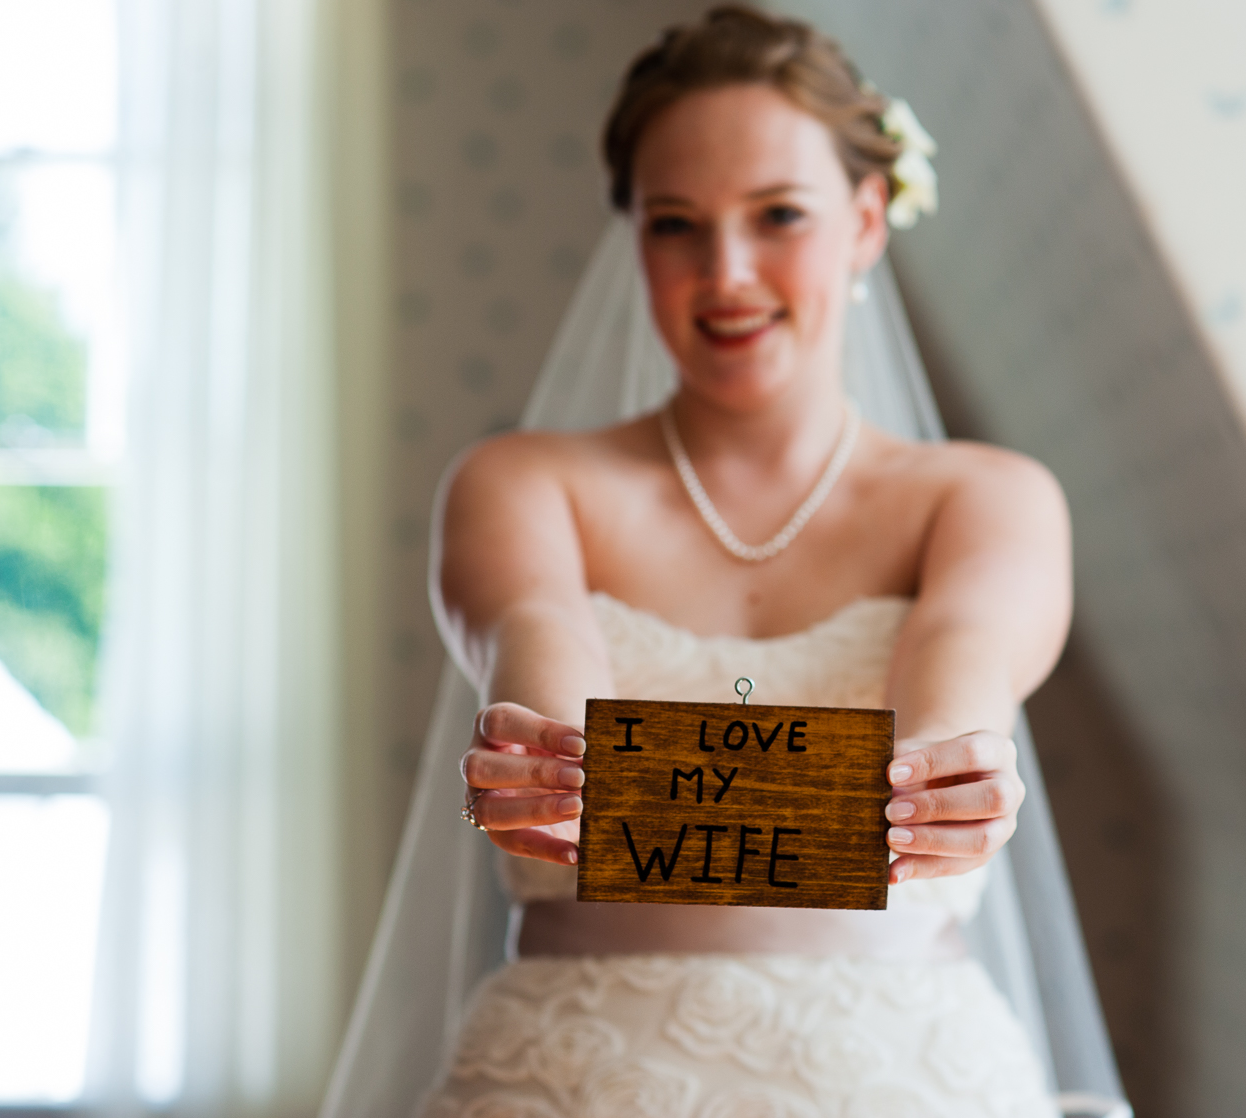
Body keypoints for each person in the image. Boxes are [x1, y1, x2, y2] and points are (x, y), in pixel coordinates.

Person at [412, 8, 1081, 1115]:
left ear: (868, 218)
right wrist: (561, 769)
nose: (726, 272)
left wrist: (949, 776)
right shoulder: (521, 483)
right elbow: (544, 657)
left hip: (904, 1075)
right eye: (676, 224)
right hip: (570, 1074)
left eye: (779, 215)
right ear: (632, 237)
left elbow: (954, 679)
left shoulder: (987, 497)